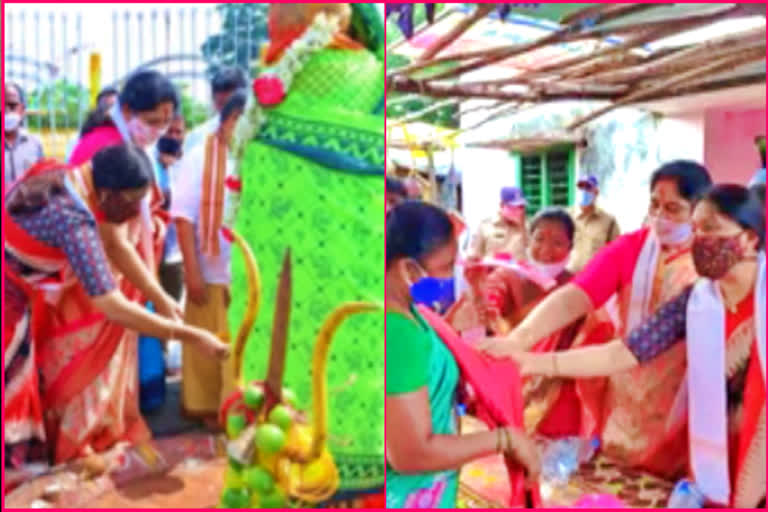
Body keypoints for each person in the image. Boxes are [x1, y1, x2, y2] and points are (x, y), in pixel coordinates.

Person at [506, 185, 765, 508]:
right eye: (696, 229)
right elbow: (624, 353)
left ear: (750, 238)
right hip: (719, 455)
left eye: (711, 229)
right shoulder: (699, 301)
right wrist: (532, 362)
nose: (699, 240)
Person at [227, 4, 386, 499]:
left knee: (275, 389)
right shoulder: (371, 76)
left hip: (274, 312)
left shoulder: (267, 90)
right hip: (359, 294)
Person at [480, 160, 713, 479]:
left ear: (700, 212)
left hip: (684, 394)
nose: (660, 217)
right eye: (655, 205)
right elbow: (577, 295)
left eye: (673, 208)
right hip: (623, 390)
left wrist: (534, 361)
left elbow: (627, 351)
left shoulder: (710, 264)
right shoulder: (633, 247)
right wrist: (518, 339)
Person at [3, 148, 229, 472]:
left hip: (19, 290)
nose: (136, 212)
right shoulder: (73, 219)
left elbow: (117, 245)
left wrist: (161, 298)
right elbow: (111, 304)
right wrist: (190, 335)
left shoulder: (80, 182)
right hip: (8, 296)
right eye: (131, 202)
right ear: (108, 194)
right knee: (12, 395)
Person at [386, 201, 540, 508]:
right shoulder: (396, 333)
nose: (448, 280)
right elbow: (411, 453)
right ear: (407, 269)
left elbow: (425, 366)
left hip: (430, 487)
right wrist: (505, 439)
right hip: (408, 494)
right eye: (444, 268)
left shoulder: (412, 312)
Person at [68, 70, 181, 321]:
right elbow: (113, 241)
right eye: (152, 121)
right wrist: (157, 294)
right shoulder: (106, 147)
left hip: (123, 270)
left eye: (166, 123)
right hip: (99, 277)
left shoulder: (131, 142)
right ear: (127, 110)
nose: (159, 131)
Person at [172, 91, 246, 424]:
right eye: (239, 121)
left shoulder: (258, 159)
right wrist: (192, 271)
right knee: (207, 350)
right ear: (227, 120)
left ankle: (236, 410)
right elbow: (183, 217)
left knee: (239, 350)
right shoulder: (199, 157)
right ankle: (206, 409)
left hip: (246, 274)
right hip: (208, 271)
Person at [155, 113, 187, 314]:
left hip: (174, 253)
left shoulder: (189, 163)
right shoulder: (147, 160)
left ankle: (165, 346)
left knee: (171, 310)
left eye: (179, 132)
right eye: (169, 131)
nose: (174, 136)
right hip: (148, 251)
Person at [183, 67, 247, 153]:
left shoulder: (259, 136)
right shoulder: (197, 137)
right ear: (214, 102)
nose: (227, 110)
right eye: (221, 104)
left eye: (232, 103)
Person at [567, 174, 620, 273]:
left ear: (596, 192)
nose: (583, 191)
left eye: (588, 188)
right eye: (580, 187)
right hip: (569, 278)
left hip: (595, 278)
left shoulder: (608, 221)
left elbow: (616, 252)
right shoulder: (566, 217)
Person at [468, 186, 528, 261]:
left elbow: (533, 254)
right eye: (512, 207)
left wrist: (522, 226)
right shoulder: (486, 226)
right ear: (502, 205)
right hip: (491, 271)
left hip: (519, 272)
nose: (517, 211)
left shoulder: (526, 227)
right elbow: (475, 256)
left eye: (520, 207)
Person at [4, 82, 44, 187]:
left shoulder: (35, 144)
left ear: (22, 110)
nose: (6, 111)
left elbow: (43, 182)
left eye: (12, 106)